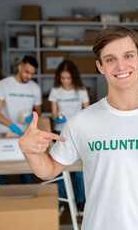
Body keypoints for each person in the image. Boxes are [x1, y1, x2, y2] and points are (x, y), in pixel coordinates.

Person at [19, 26, 138, 230]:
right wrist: (29, 151)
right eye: (110, 59)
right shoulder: (80, 122)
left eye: (128, 55)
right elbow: (49, 170)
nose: (121, 66)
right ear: (100, 66)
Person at [0, 55, 42, 184]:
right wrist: (11, 125)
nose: (29, 76)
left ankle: (27, 201)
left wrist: (33, 117)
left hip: (26, 135)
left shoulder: (35, 88)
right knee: (1, 171)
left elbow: (38, 110)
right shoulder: (3, 85)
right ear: (20, 67)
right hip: (5, 134)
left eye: (32, 74)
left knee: (26, 170)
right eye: (27, 72)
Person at [48, 60, 89, 215]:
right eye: (62, 78)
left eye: (68, 78)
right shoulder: (55, 90)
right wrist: (56, 118)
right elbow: (53, 113)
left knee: (79, 171)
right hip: (60, 133)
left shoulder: (81, 90)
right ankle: (59, 202)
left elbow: (87, 112)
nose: (65, 81)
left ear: (74, 77)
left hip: (78, 133)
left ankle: (81, 202)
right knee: (58, 169)